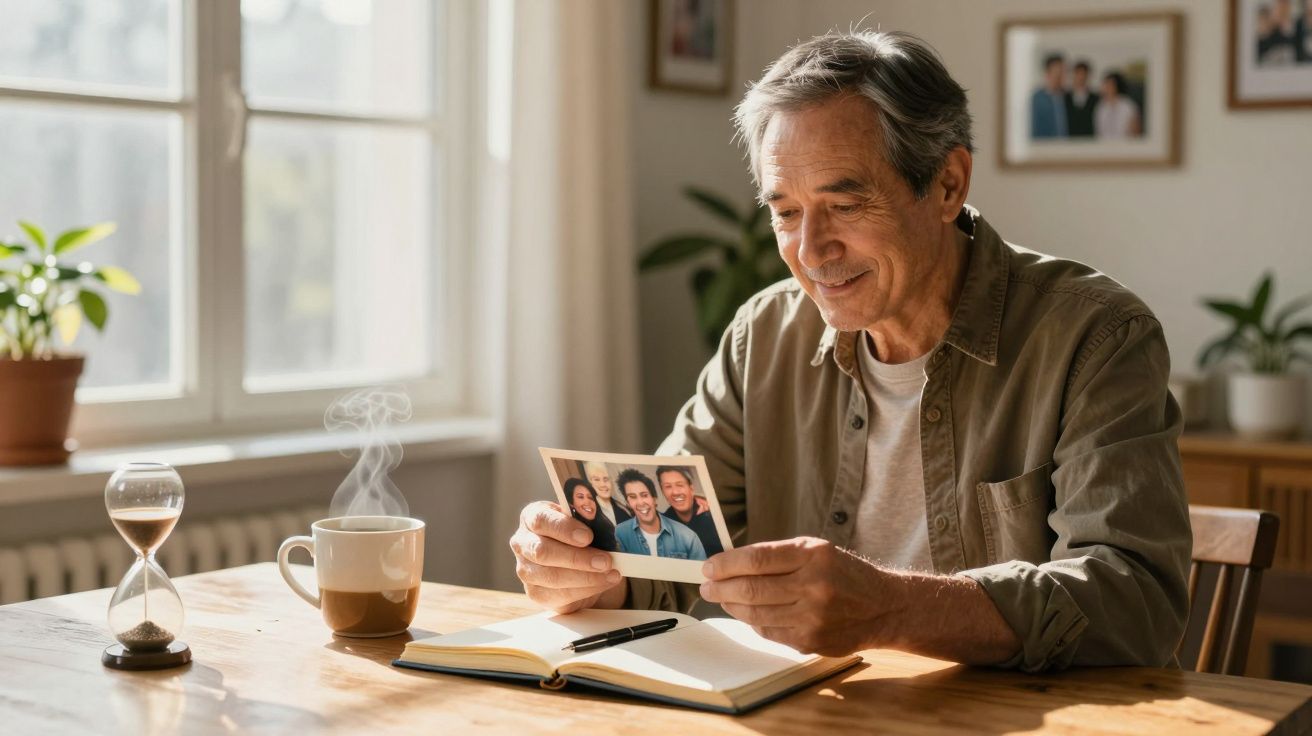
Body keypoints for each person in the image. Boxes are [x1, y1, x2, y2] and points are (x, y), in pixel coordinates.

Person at [510, 30, 1189, 673]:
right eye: (785, 212)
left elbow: (1134, 603)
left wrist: (894, 609)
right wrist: (580, 571)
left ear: (948, 185)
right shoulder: (762, 337)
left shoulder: (1096, 336)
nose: (810, 252)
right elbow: (655, 569)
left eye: (846, 204)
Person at [612, 469, 707, 561]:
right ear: (628, 503)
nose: (640, 502)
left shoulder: (687, 536)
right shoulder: (620, 533)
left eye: (644, 495)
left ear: (654, 498)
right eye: (633, 497)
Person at [655, 465, 724, 556]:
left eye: (680, 485)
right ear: (662, 491)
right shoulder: (662, 524)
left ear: (691, 488)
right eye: (668, 487)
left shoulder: (714, 514)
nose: (675, 492)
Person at [564, 478, 617, 552]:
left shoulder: (606, 526)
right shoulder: (569, 530)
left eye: (590, 498)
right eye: (580, 497)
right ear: (571, 503)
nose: (587, 501)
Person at [1030, 53, 1068, 139]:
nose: (1061, 76)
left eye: (1063, 72)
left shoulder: (1066, 96)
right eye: (1057, 72)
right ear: (1047, 73)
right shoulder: (1037, 99)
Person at [1094, 71, 1141, 139]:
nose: (1107, 87)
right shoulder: (1100, 107)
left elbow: (1136, 133)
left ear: (1117, 86)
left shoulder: (1128, 105)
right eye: (1105, 84)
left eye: (1110, 84)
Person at [584, 461, 632, 526]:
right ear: (591, 483)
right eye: (597, 480)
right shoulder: (589, 511)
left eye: (606, 479)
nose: (603, 484)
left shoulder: (624, 509)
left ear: (612, 481)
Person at [1064, 61, 1098, 138]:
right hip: (1069, 140)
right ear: (1073, 75)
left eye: (1084, 74)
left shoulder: (1095, 98)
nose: (1081, 77)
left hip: (1089, 139)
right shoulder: (1064, 97)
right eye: (1078, 74)